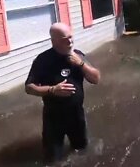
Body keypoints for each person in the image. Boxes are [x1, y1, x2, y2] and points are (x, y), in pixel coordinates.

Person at [25, 22, 101, 163]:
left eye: (71, 37)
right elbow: (29, 87)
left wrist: (81, 64)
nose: (70, 41)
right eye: (65, 39)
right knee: (52, 159)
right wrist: (52, 89)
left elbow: (96, 79)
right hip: (53, 118)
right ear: (54, 41)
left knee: (82, 151)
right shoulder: (43, 60)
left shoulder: (78, 55)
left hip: (76, 115)